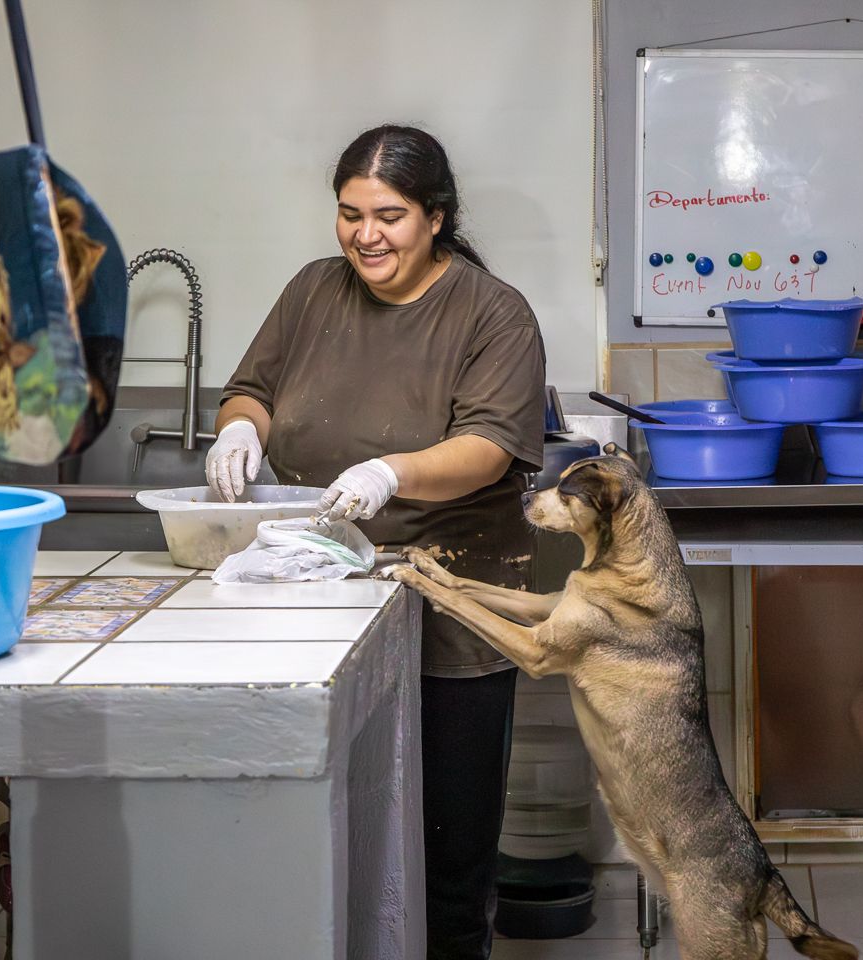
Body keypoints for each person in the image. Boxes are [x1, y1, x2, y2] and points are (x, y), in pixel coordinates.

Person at [206, 124, 547, 959]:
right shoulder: (314, 291)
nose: (366, 234)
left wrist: (392, 473)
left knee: (448, 857)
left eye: (388, 215)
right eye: (350, 213)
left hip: (450, 612)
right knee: (324, 830)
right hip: (318, 599)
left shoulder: (491, 313)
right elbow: (250, 388)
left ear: (435, 216)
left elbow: (491, 447)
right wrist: (239, 431)